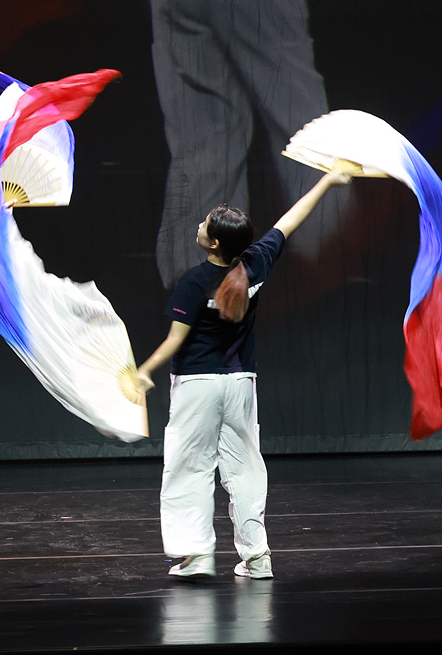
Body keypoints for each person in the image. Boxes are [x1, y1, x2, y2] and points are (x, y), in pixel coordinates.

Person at [135, 170, 351, 579]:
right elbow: (291, 219)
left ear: (213, 243)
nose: (198, 225)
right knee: (245, 468)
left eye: (204, 225)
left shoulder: (195, 281)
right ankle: (257, 558)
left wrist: (143, 371)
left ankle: (196, 556)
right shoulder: (254, 264)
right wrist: (326, 181)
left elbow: (174, 341)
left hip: (197, 385)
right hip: (239, 385)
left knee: (190, 467)